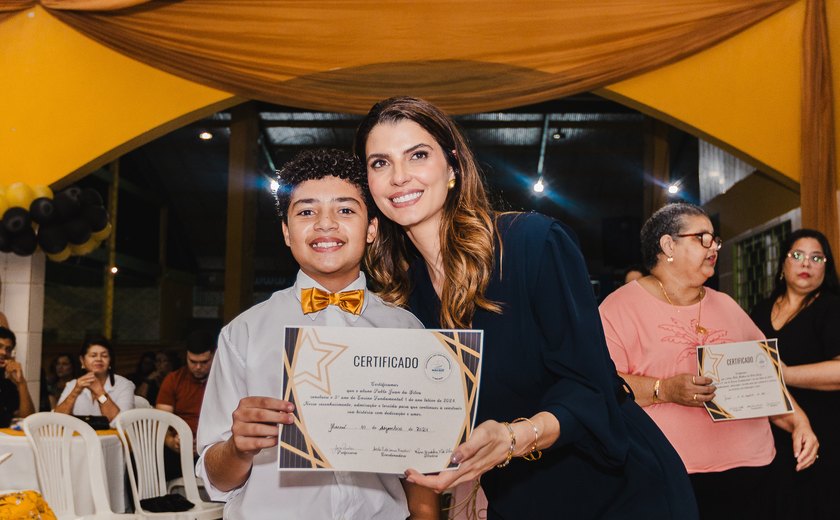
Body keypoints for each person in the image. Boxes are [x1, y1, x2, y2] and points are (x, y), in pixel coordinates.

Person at [355, 96, 698, 520]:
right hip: (519, 499)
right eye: (380, 163)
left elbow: (592, 388)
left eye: (418, 155)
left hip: (618, 492)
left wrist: (516, 437)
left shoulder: (532, 244)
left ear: (453, 166)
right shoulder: (404, 299)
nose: (399, 177)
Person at [196, 148, 438, 519]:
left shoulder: (406, 329)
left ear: (371, 228)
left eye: (345, 210)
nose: (325, 224)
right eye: (306, 211)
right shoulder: (243, 333)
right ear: (286, 232)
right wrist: (238, 448)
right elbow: (217, 478)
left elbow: (420, 467)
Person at [599, 203, 819, 519]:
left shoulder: (726, 305)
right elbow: (603, 384)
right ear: (667, 245)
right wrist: (665, 389)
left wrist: (799, 421)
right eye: (702, 238)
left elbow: (765, 379)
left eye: (715, 239)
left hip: (752, 470)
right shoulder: (619, 307)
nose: (714, 246)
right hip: (669, 473)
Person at [749, 228, 840, 519]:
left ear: (826, 267)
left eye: (817, 258)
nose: (806, 264)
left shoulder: (831, 308)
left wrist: (782, 374)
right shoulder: (760, 311)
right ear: (783, 264)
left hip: (822, 435)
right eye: (798, 255)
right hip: (766, 434)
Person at [156, 330, 216, 481]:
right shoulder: (174, 379)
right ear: (186, 357)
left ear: (214, 356)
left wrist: (207, 441)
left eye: (204, 362)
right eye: (193, 361)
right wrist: (171, 442)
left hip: (214, 447)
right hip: (179, 447)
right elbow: (161, 421)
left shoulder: (225, 381)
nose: (197, 367)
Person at [55, 335, 135, 426]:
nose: (99, 359)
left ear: (110, 360)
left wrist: (100, 392)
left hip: (112, 440)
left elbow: (122, 423)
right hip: (78, 439)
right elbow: (57, 421)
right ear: (82, 361)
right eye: (93, 355)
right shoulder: (72, 385)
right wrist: (75, 392)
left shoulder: (124, 385)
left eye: (104, 356)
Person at [0, 327, 35, 427]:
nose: (4, 352)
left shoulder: (6, 384)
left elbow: (27, 420)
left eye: (8, 349)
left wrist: (21, 383)